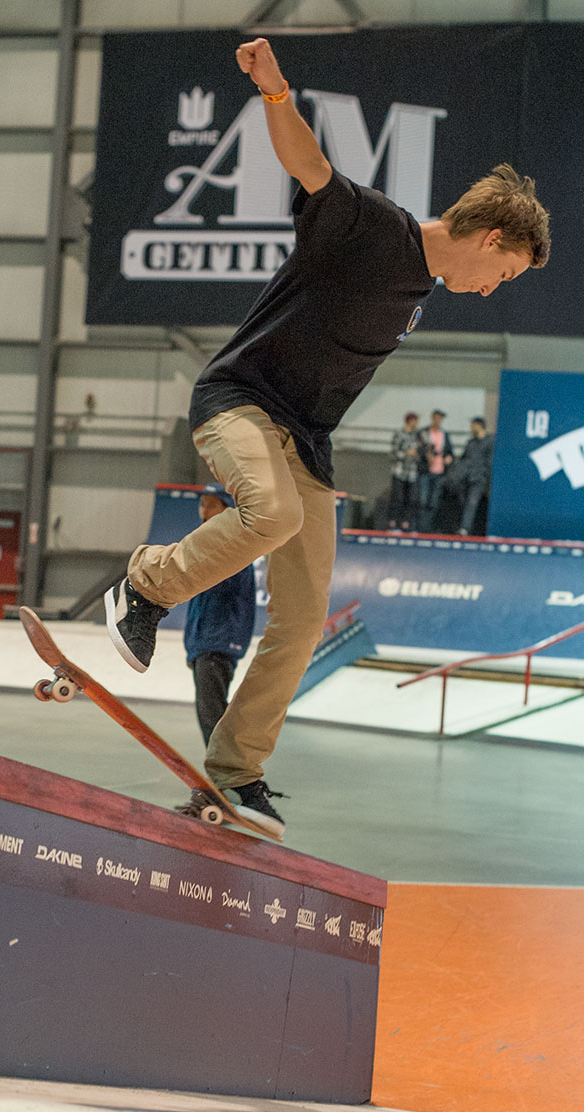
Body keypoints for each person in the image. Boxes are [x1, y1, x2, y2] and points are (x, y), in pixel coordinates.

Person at [104, 36, 550, 838]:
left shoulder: (420, 285)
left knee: (303, 616)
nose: (493, 288)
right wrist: (276, 94)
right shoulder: (375, 228)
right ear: (490, 240)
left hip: (304, 440)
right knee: (266, 516)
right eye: (505, 273)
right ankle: (144, 586)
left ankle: (237, 772)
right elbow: (308, 165)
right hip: (238, 402)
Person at [184, 483, 257, 746]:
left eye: (212, 504)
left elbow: (216, 583)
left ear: (227, 510)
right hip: (205, 641)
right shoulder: (208, 543)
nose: (204, 509)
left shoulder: (231, 544)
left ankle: (223, 771)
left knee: (211, 712)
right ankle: (222, 769)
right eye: (203, 503)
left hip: (218, 642)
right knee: (209, 710)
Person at [418, 409, 455, 532]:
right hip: (426, 471)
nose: (438, 421)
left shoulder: (444, 434)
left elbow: (450, 451)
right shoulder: (424, 433)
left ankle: (429, 527)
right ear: (432, 418)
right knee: (423, 500)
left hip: (439, 472)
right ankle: (421, 527)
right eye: (436, 418)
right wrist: (426, 454)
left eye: (440, 418)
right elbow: (419, 449)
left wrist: (449, 457)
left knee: (434, 502)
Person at [457, 417, 495, 535]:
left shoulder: (490, 441)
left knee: (472, 503)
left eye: (473, 425)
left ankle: (465, 528)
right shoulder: (471, 442)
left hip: (480, 478)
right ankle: (467, 527)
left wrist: (487, 478)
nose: (472, 428)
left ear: (479, 425)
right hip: (467, 477)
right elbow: (464, 458)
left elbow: (489, 462)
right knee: (466, 502)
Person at [387, 412, 423, 531]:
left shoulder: (416, 436)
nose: (417, 424)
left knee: (410, 499)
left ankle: (405, 523)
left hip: (412, 472)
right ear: (410, 421)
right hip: (399, 470)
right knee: (397, 498)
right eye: (415, 421)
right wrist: (407, 454)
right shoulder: (399, 434)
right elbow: (393, 453)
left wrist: (417, 454)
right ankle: (392, 523)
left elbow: (419, 453)